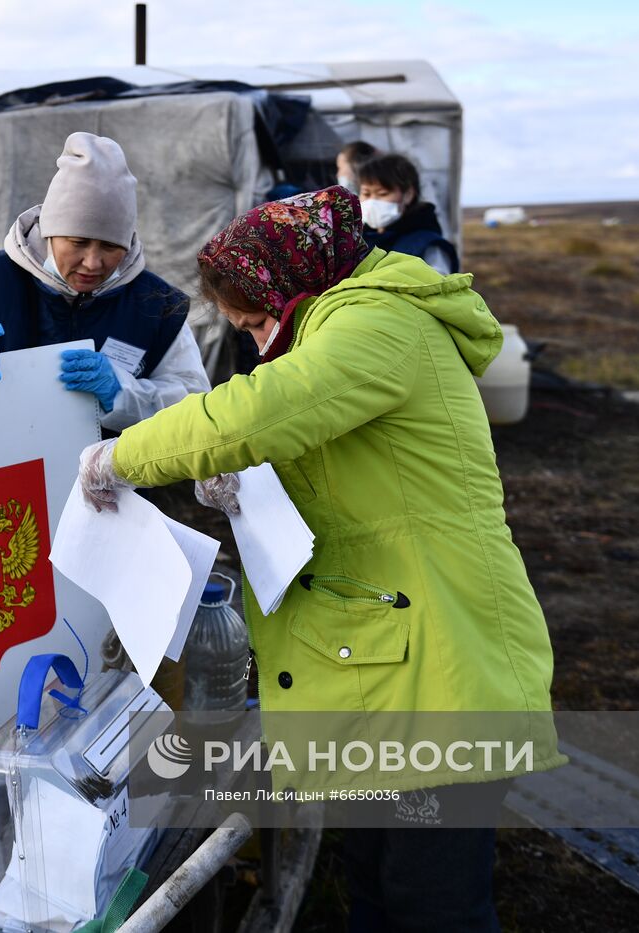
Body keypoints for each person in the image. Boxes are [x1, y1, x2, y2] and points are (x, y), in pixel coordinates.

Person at [76, 187, 560, 931]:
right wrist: (243, 486)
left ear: (293, 282)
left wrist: (125, 454)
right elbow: (346, 468)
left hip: (446, 662)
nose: (261, 341)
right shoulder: (344, 330)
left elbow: (266, 408)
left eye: (260, 320)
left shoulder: (380, 324)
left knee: (435, 905)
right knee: (372, 883)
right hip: (393, 662)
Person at [0, 132, 209, 431]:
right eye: (77, 242)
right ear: (48, 231)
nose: (92, 262)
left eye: (110, 247)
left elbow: (196, 407)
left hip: (113, 481)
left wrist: (122, 393)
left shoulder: (156, 305)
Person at [356, 152, 460, 274]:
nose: (372, 201)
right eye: (366, 194)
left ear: (408, 195)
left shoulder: (428, 245)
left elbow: (439, 287)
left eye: (382, 194)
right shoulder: (359, 242)